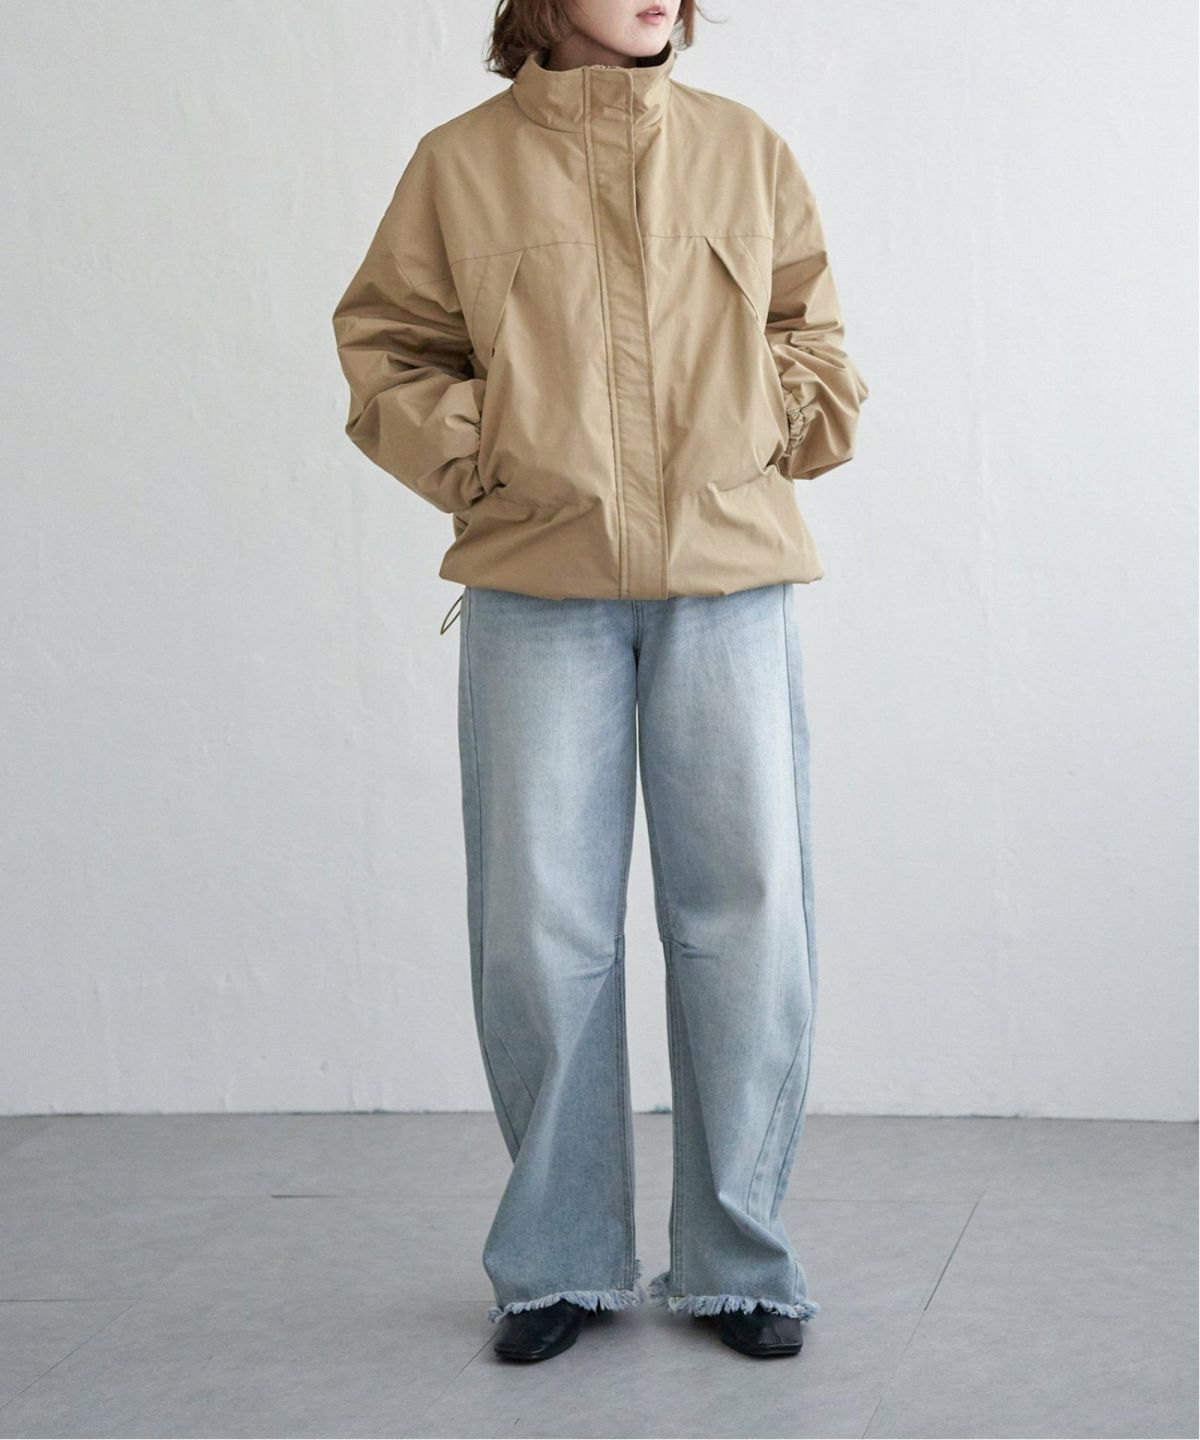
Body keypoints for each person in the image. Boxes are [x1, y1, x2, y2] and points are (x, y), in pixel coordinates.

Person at [331, 0, 869, 1364]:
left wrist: (764, 429)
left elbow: (812, 332)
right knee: (540, 928)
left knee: (746, 916)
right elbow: (390, 349)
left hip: (729, 579)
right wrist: (492, 463)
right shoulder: (460, 164)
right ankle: (559, 1259)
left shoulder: (743, 148)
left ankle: (739, 1259)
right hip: (537, 584)